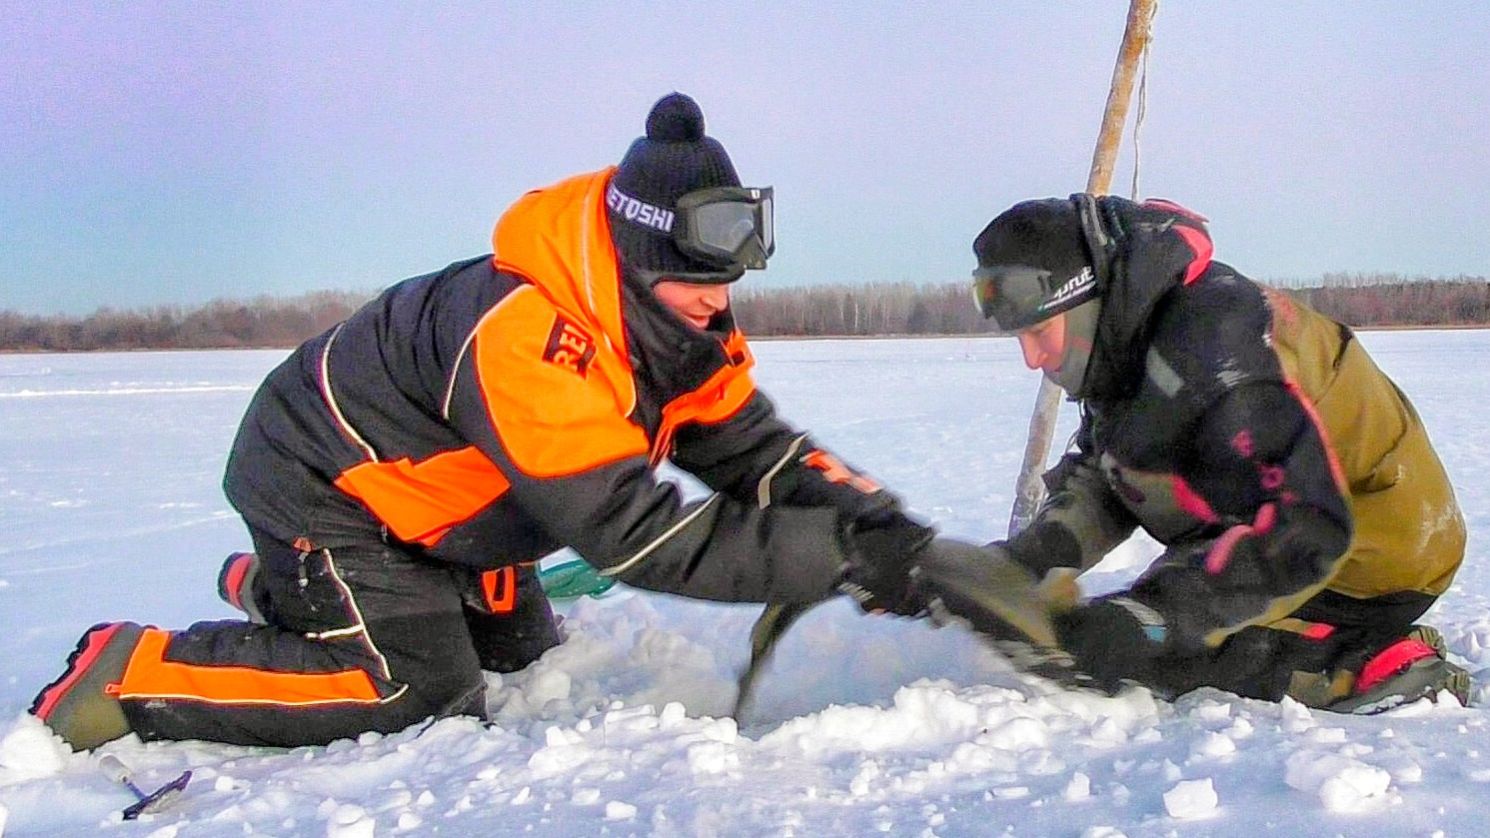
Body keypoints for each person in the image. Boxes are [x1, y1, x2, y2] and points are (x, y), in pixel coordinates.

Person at [30, 92, 965, 751]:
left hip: (466, 504)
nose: (720, 308)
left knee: (522, 652)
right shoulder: (530, 335)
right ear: (637, 256)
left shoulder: (672, 319)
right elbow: (635, 536)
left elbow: (752, 450)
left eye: (729, 287)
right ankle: (133, 673)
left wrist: (873, 520)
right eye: (702, 284)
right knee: (420, 690)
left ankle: (289, 594)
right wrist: (839, 560)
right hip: (333, 484)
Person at [969, 193, 1470, 713]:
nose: (1032, 358)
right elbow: (1108, 476)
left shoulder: (1214, 347)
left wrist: (1158, 619)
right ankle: (1332, 633)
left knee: (1167, 654)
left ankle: (1374, 662)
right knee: (1142, 627)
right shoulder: (1132, 336)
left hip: (1377, 549)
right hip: (1307, 525)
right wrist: (1025, 564)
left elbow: (1306, 532)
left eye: (1038, 331)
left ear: (1083, 301)